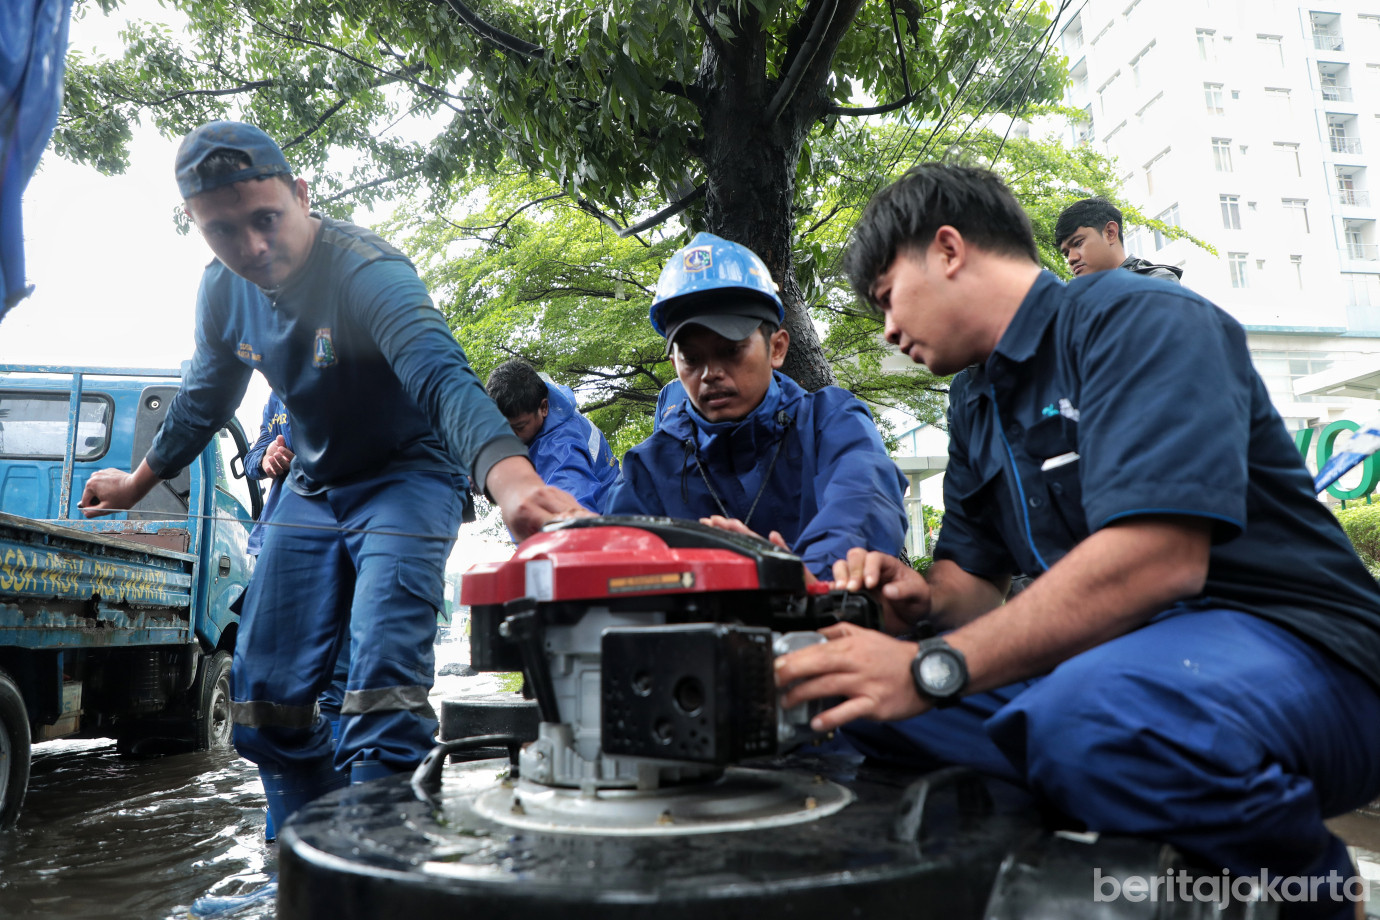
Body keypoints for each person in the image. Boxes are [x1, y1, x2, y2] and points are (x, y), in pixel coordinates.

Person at [775, 164, 1380, 919]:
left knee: (1087, 724)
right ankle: (1068, 876)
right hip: (1116, 665)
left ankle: (1312, 895)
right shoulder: (975, 398)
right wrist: (911, 600)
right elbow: (971, 583)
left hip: (1310, 654)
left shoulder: (1137, 317)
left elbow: (1156, 557)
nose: (889, 332)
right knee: (845, 698)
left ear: (949, 249)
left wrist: (931, 666)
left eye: (886, 297)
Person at [78, 121, 585, 840]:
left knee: (379, 699)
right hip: (315, 484)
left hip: (411, 475)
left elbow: (441, 376)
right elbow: (204, 399)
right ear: (199, 227)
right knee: (263, 705)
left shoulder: (365, 271)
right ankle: (307, 857)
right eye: (223, 232)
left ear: (301, 194)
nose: (252, 248)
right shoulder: (224, 293)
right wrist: (135, 482)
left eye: (266, 220)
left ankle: (383, 868)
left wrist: (510, 479)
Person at [604, 231, 909, 580]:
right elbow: (620, 567)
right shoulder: (647, 468)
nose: (710, 374)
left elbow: (865, 506)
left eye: (731, 350)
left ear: (777, 348)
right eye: (691, 358)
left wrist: (790, 578)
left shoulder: (831, 423)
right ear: (675, 365)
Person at [485, 360, 619, 514]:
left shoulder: (562, 450)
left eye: (519, 427)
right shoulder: (549, 404)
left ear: (543, 407)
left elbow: (571, 514)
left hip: (608, 525)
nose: (509, 437)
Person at [1054, 196, 1182, 282]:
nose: (1071, 259)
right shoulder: (1075, 308)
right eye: (1066, 253)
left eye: (1078, 243)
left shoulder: (1158, 281)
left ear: (1110, 233)